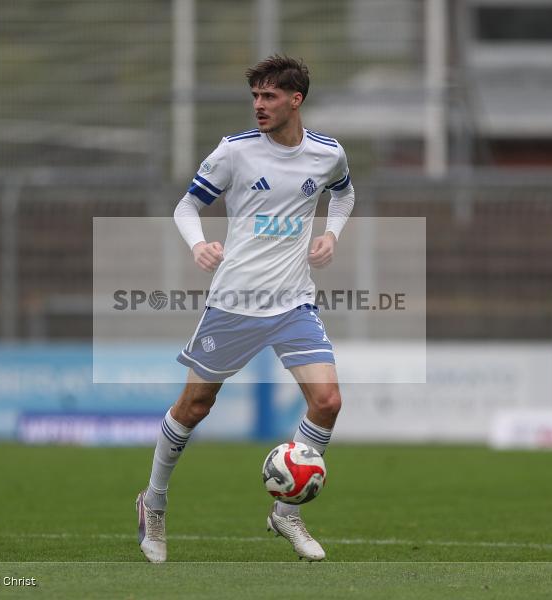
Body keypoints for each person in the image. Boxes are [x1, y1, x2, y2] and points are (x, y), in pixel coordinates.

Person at [136, 55, 355, 563]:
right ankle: (155, 502)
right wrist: (198, 246)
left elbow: (343, 196)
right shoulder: (233, 153)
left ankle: (287, 513)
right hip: (233, 302)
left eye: (270, 96)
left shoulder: (328, 153)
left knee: (328, 401)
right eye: (255, 96)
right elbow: (186, 206)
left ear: (295, 100)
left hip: (293, 301)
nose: (259, 105)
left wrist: (331, 235)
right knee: (195, 406)